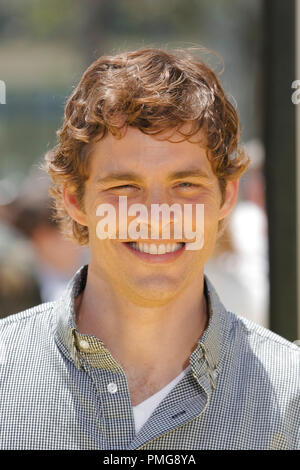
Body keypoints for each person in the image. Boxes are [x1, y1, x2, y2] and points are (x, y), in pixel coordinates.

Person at [0, 47, 299, 450]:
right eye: (125, 186)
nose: (157, 216)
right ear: (74, 199)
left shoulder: (291, 396)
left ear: (227, 196)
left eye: (186, 185)